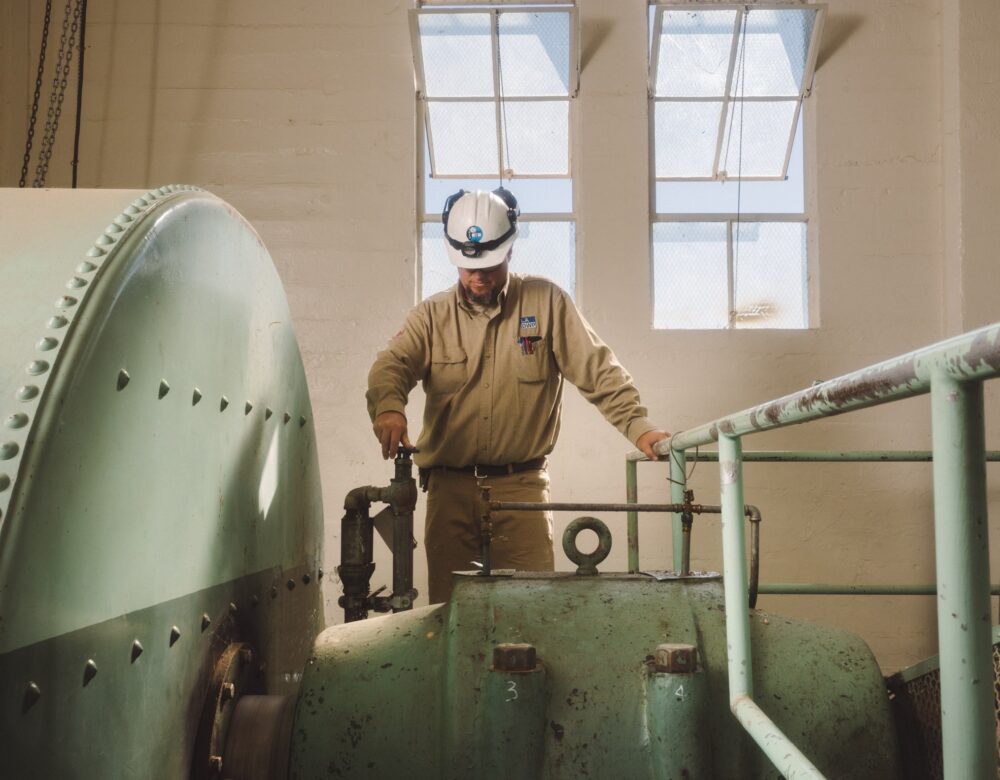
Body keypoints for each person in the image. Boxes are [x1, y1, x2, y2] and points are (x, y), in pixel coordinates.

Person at [366, 188, 669, 603]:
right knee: (450, 616)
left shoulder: (547, 303)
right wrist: (389, 408)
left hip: (522, 489)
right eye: (468, 266)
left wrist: (639, 427)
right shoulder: (431, 317)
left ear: (509, 250)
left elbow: (600, 372)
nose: (479, 277)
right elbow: (392, 365)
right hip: (449, 492)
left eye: (490, 266)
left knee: (531, 613)